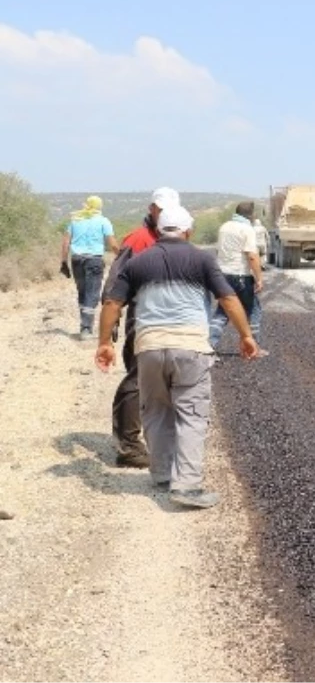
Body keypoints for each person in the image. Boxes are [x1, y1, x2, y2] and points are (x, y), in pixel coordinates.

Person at [95, 204, 259, 509]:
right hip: (190, 348)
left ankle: (161, 474)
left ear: (158, 230)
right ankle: (186, 486)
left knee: (155, 410)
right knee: (191, 415)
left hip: (149, 347)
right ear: (188, 231)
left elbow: (112, 304)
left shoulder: (138, 262)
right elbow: (228, 298)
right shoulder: (201, 259)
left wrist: (104, 343)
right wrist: (246, 336)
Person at [102, 187, 181, 469]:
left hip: (169, 316)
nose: (163, 214)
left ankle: (150, 437)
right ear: (152, 209)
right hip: (144, 315)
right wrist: (110, 320)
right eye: (160, 209)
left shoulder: (171, 236)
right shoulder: (139, 238)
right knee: (139, 377)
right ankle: (128, 446)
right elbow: (115, 280)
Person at [209, 201, 267, 354]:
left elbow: (218, 251)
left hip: (222, 275)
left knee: (222, 311)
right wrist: (259, 278)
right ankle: (254, 347)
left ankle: (209, 346)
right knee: (253, 310)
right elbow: (252, 256)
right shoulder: (247, 229)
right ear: (251, 215)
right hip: (240, 276)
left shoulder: (224, 227)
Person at [60, 195, 120, 336]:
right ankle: (86, 328)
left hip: (77, 260)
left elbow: (65, 242)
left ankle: (85, 325)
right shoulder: (103, 221)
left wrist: (63, 261)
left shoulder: (75, 220)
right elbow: (112, 243)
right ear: (99, 206)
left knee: (82, 292)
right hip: (94, 260)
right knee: (92, 293)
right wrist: (122, 256)